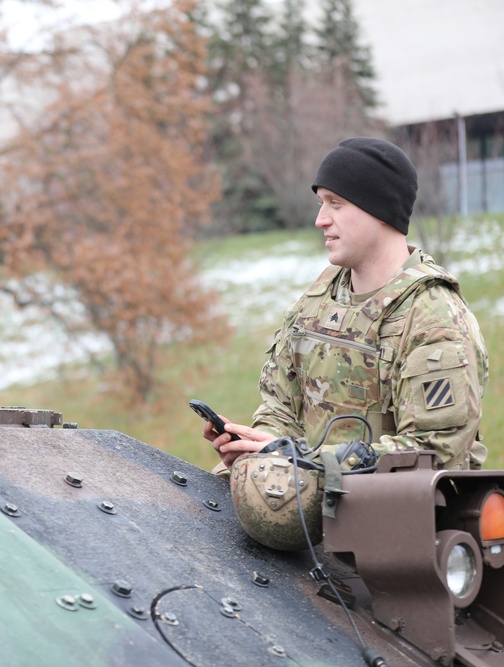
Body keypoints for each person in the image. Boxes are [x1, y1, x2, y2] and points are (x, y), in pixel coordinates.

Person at [206, 137, 487, 474]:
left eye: (335, 203)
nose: (320, 219)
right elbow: (280, 411)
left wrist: (298, 458)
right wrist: (254, 449)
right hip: (313, 503)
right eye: (321, 203)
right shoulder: (316, 302)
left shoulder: (431, 315)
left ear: (379, 210)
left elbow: (435, 450)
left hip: (402, 516)